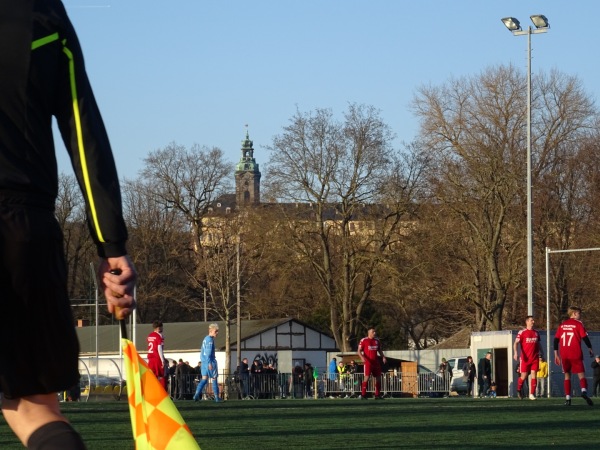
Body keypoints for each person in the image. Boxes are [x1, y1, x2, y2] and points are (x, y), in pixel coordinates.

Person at [0, 1, 137, 448]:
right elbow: (83, 129)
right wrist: (110, 244)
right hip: (25, 231)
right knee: (35, 409)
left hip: (25, 221)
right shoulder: (42, 12)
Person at [554, 306, 595, 406]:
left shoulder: (562, 325)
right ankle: (584, 391)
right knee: (581, 374)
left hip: (564, 354)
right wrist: (590, 348)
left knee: (567, 375)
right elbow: (584, 337)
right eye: (579, 313)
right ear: (574, 313)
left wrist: (556, 354)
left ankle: (568, 399)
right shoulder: (578, 324)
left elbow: (556, 340)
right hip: (575, 353)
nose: (580, 316)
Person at [513, 315, 541, 400]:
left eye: (533, 320)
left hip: (534, 358)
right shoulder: (522, 332)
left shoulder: (536, 333)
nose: (533, 322)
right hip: (525, 358)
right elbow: (516, 343)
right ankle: (518, 390)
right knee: (523, 376)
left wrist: (542, 353)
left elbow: (538, 344)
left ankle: (531, 394)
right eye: (531, 320)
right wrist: (515, 353)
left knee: (534, 375)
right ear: (527, 322)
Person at [193, 323, 221, 403]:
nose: (217, 333)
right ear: (211, 331)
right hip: (210, 361)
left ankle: (196, 395)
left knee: (204, 379)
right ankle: (216, 397)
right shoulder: (210, 340)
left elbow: (202, 352)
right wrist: (209, 363)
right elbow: (208, 353)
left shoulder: (205, 338)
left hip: (203, 362)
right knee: (214, 378)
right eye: (216, 331)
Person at [357, 327, 387, 399]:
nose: (375, 333)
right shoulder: (364, 340)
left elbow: (379, 350)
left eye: (375, 332)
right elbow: (358, 351)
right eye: (373, 332)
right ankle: (363, 395)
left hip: (375, 362)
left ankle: (377, 395)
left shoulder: (377, 341)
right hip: (368, 362)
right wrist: (362, 357)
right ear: (369, 333)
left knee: (379, 378)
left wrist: (383, 357)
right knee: (366, 377)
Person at [147, 321, 167, 390]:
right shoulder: (159, 336)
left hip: (150, 359)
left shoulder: (150, 335)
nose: (162, 329)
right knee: (162, 376)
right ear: (158, 328)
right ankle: (163, 394)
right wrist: (162, 360)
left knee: (152, 377)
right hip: (157, 358)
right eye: (161, 327)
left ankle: (151, 393)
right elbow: (159, 348)